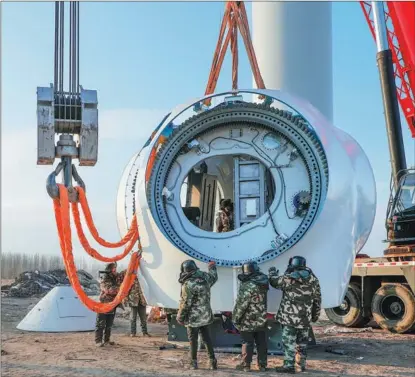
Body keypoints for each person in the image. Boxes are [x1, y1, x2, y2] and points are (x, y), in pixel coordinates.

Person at [268, 256, 321, 374]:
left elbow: (275, 282)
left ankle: (288, 366)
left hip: (289, 318)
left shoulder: (289, 279)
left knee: (289, 343)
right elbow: (317, 300)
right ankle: (301, 365)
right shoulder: (313, 279)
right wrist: (315, 316)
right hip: (305, 319)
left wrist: (272, 272)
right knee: (302, 344)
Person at [176, 259, 218, 370]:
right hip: (205, 316)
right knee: (207, 338)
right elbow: (214, 277)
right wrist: (212, 266)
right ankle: (212, 362)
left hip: (193, 318)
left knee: (192, 340)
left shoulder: (188, 284)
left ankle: (193, 363)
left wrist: (180, 317)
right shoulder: (205, 277)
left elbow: (186, 303)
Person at [232, 261, 269, 372]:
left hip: (247, 319)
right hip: (261, 317)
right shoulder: (263, 281)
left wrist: (236, 317)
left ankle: (246, 365)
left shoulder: (247, 284)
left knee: (247, 342)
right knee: (261, 342)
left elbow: (242, 304)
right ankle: (262, 365)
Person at [95, 262, 120, 347]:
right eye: (114, 268)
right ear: (110, 270)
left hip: (112, 304)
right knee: (101, 323)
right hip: (104, 304)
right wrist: (120, 288)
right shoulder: (105, 279)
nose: (115, 270)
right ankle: (98, 341)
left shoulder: (114, 278)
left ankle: (107, 340)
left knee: (109, 324)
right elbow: (109, 290)